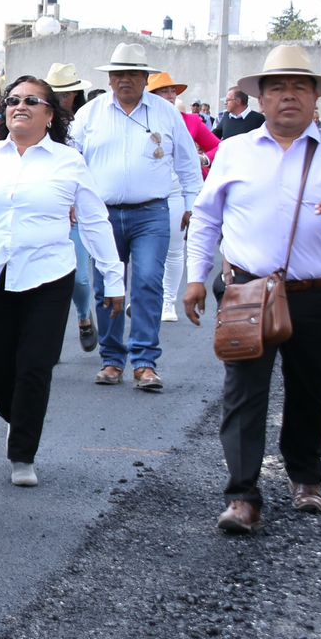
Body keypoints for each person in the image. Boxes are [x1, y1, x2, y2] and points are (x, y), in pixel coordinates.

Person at [184, 45, 321, 534]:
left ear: (315, 97)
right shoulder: (235, 150)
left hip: (315, 293)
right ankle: (242, 496)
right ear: (261, 98)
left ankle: (306, 479)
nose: (288, 96)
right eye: (277, 87)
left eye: (299, 87)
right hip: (245, 292)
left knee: (310, 388)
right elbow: (207, 219)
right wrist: (197, 278)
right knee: (243, 393)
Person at [0, 76, 125, 486]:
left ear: (50, 114)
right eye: (13, 100)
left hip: (49, 275)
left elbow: (93, 221)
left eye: (31, 100)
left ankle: (23, 454)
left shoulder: (68, 161)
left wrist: (113, 278)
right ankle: (17, 417)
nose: (19, 106)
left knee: (35, 366)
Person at [68, 43, 201, 392]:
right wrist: (67, 200)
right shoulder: (90, 114)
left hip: (152, 213)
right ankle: (112, 360)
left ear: (145, 78)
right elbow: (70, 161)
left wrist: (192, 204)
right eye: (118, 74)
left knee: (146, 283)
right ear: (109, 79)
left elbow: (187, 163)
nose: (124, 80)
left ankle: (144, 362)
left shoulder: (166, 114)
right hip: (101, 214)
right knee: (106, 286)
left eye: (132, 74)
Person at [146, 72, 220, 323]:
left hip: (177, 192)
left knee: (175, 249)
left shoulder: (190, 121)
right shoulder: (137, 119)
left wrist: (204, 160)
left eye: (172, 91)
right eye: (163, 91)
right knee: (144, 250)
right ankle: (142, 297)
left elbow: (217, 146)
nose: (170, 95)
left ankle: (168, 302)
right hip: (145, 194)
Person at [45, 62, 100, 353]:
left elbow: (89, 169)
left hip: (76, 210)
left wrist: (79, 202)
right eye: (56, 92)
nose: (62, 98)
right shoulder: (39, 122)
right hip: (45, 209)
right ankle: (45, 343)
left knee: (78, 277)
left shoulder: (87, 122)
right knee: (45, 282)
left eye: (67, 92)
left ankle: (83, 316)